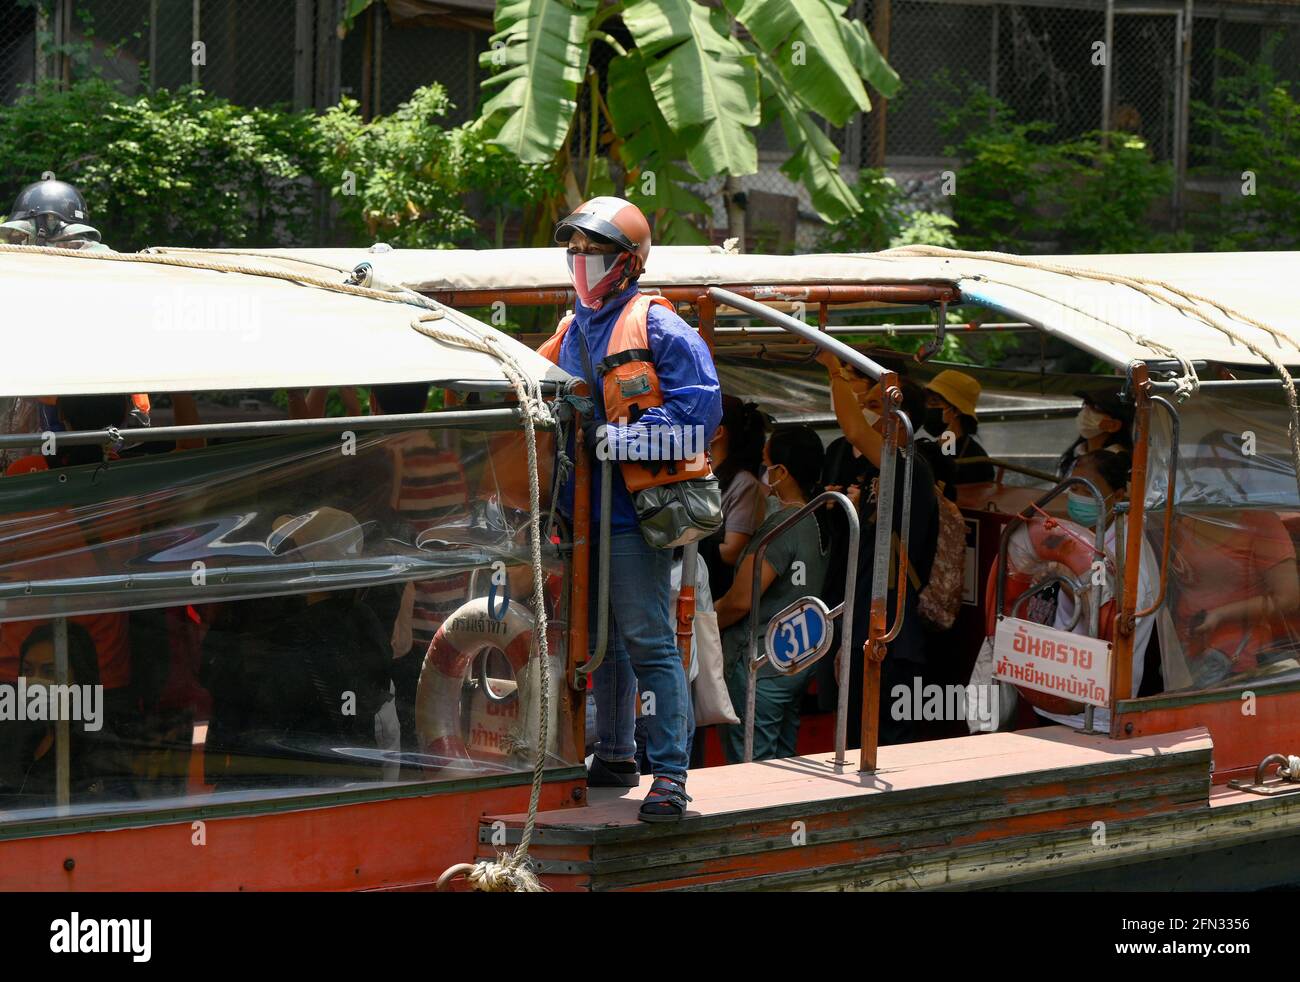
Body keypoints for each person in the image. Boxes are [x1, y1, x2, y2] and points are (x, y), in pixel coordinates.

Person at [539, 196, 721, 822]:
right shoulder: (569, 330)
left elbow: (701, 418)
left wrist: (625, 439)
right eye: (576, 252)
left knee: (648, 642)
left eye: (595, 253)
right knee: (600, 643)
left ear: (629, 262)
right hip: (577, 519)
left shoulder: (662, 326)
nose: (582, 262)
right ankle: (614, 752)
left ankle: (669, 776)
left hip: (634, 518)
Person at [820, 352, 939, 748]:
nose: (864, 412)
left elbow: (853, 430)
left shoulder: (909, 466)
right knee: (854, 732)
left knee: (887, 738)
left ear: (898, 418)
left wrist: (834, 369)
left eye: (874, 405)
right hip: (859, 617)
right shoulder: (873, 469)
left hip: (890, 624)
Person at [715, 426, 826, 762]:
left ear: (782, 473)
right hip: (795, 664)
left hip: (759, 665)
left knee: (751, 766)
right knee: (782, 763)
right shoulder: (818, 518)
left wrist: (702, 620)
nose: (762, 475)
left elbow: (740, 601)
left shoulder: (781, 527)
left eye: (766, 466)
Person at [1034, 449, 1159, 730]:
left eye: (1087, 490)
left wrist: (1059, 572)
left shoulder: (1128, 551)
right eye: (1073, 487)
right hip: (1055, 685)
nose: (1077, 496)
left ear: (1117, 496)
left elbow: (1107, 615)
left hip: (1092, 711)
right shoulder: (1084, 536)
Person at [699, 396, 767, 599]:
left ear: (717, 433)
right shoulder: (698, 475)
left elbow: (732, 551)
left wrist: (685, 545)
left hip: (714, 592)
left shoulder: (744, 484)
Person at [922, 369, 995, 489]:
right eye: (927, 403)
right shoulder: (937, 448)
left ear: (956, 410)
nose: (927, 409)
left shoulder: (976, 460)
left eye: (934, 403)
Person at [1058, 385, 1133, 476]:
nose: (1086, 411)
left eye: (1096, 408)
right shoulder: (1075, 453)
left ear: (1114, 425)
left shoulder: (1118, 462)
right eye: (1086, 404)